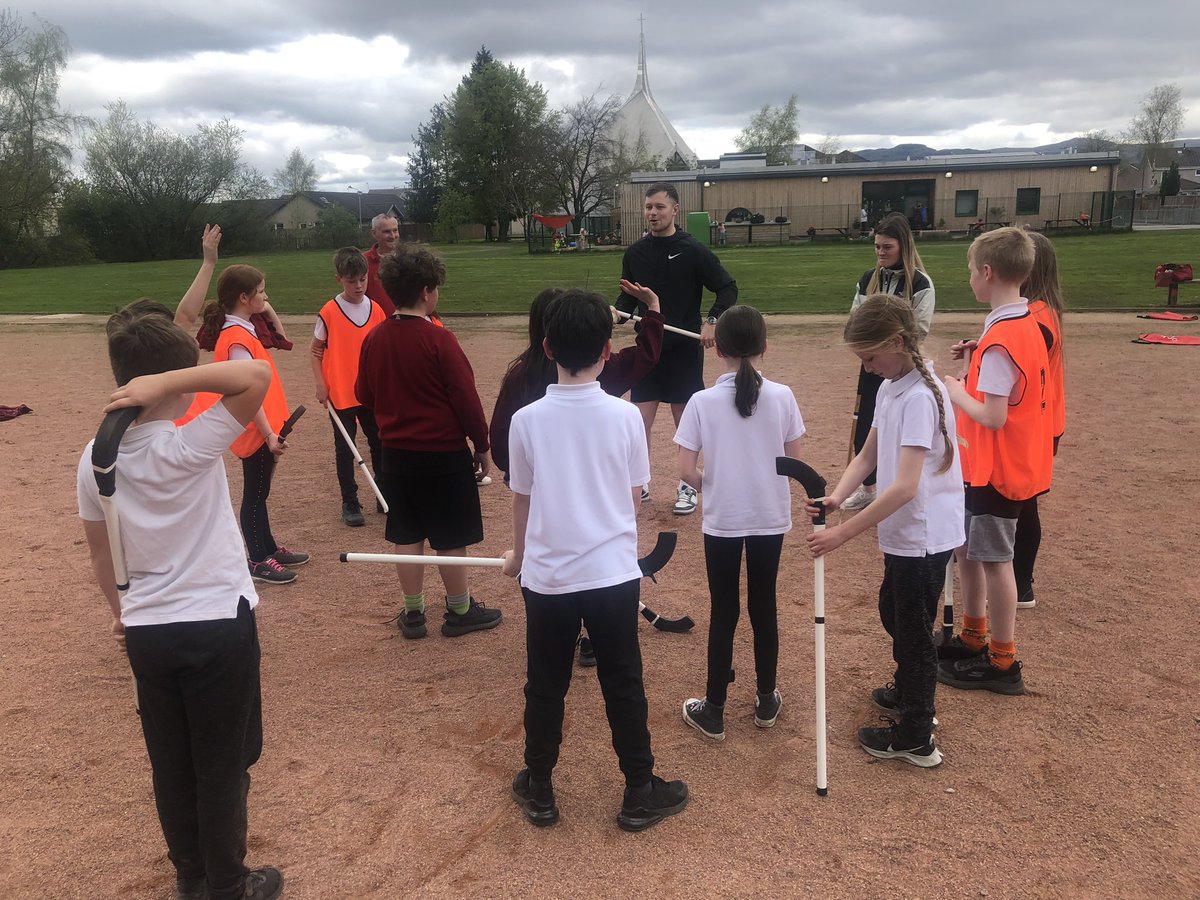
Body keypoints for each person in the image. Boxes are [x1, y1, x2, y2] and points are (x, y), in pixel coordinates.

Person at [78, 306, 283, 900]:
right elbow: (256, 379)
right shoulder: (191, 441)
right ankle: (227, 883)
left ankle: (192, 877)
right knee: (222, 764)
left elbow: (100, 556)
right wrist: (171, 383)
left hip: (149, 630)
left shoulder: (94, 458)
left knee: (173, 765)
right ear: (168, 383)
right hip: (216, 624)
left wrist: (121, 615)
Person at [501, 289, 688, 832]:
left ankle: (540, 787)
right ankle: (639, 788)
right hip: (611, 574)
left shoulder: (526, 420)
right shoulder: (626, 416)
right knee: (623, 680)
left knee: (545, 683)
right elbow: (632, 497)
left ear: (546, 347)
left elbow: (523, 498)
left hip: (550, 577)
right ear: (609, 350)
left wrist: (519, 556)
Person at [806, 294, 964, 767]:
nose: (868, 368)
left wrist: (841, 534)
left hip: (923, 534)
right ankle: (911, 691)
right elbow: (868, 456)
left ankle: (917, 734)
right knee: (894, 613)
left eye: (870, 357)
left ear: (897, 342)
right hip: (904, 533)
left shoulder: (920, 396)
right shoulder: (892, 386)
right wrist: (837, 496)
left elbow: (904, 488)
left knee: (913, 631)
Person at [490, 282, 665, 666]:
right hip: (602, 551)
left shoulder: (520, 377)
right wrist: (649, 313)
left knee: (547, 664)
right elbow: (645, 356)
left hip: (541, 509)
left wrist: (519, 471)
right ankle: (586, 634)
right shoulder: (606, 376)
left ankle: (564, 633)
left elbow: (500, 440)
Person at [355, 244, 501, 640]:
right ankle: (459, 609)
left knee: (407, 533)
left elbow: (363, 395)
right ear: (425, 291)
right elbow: (466, 399)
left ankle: (413, 612)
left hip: (397, 456)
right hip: (442, 454)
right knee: (450, 535)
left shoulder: (375, 339)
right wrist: (482, 445)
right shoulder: (440, 340)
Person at [674, 306, 805, 742]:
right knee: (763, 604)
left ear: (718, 350)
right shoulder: (782, 396)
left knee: (724, 608)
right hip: (769, 515)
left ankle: (714, 707)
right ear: (764, 347)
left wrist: (715, 485)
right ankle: (766, 697)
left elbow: (685, 470)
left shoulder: (701, 402)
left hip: (724, 518)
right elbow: (794, 463)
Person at [937, 227, 1051, 695]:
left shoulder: (1005, 336)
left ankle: (1003, 660)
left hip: (1000, 469)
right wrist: (975, 359)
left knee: (994, 560)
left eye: (970, 271)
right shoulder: (1018, 323)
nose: (969, 279)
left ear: (987, 272)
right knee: (969, 551)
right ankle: (973, 632)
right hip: (988, 466)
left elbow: (994, 414)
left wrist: (956, 389)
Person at [615, 182, 738, 515]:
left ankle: (688, 487)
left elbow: (727, 287)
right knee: (638, 423)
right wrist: (617, 312)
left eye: (659, 207)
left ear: (675, 210)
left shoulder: (693, 250)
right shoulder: (635, 253)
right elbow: (629, 298)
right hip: (648, 349)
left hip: (684, 349)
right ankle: (637, 485)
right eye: (648, 207)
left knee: (686, 425)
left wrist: (712, 320)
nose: (652, 213)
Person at [184, 264, 309, 585]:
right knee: (255, 494)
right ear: (244, 297)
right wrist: (268, 433)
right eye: (262, 291)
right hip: (256, 429)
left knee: (261, 491)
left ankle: (267, 547)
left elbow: (277, 329)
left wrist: (264, 305)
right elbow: (244, 393)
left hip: (262, 427)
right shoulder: (236, 337)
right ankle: (256, 558)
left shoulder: (243, 328)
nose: (266, 297)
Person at [842, 213, 935, 512]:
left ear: (903, 246)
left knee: (902, 429)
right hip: (872, 363)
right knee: (866, 423)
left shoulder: (920, 283)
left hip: (902, 366)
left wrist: (888, 346)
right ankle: (869, 488)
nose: (881, 252)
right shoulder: (868, 279)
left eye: (887, 247)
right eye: (877, 247)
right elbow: (856, 317)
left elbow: (918, 329)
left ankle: (901, 487)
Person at [311, 247, 387, 527]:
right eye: (352, 280)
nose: (358, 286)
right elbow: (315, 351)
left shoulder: (376, 310)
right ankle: (350, 501)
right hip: (341, 392)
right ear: (339, 279)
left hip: (370, 392)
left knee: (380, 443)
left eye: (363, 280)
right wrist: (321, 383)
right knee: (345, 448)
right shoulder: (329, 312)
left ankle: (384, 493)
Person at [1013, 231, 1065, 608]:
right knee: (1020, 501)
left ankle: (1021, 582)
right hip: (1044, 423)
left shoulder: (1037, 319)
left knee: (1023, 502)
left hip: (1036, 425)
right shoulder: (1040, 312)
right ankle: (1017, 578)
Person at [364, 213, 401, 316]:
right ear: (374, 233)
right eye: (386, 232)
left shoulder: (409, 259)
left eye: (395, 230)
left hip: (407, 323)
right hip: (376, 324)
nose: (393, 236)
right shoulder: (363, 261)